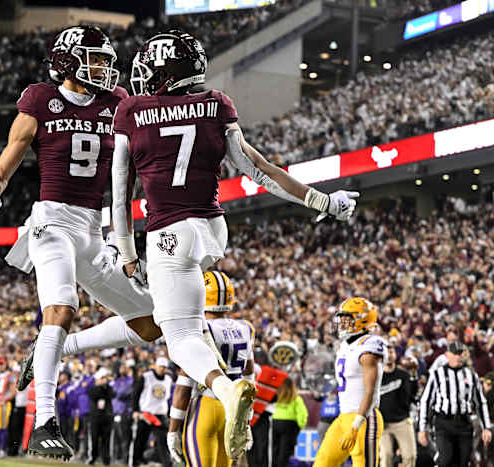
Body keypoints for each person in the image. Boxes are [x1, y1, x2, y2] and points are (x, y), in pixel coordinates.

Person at [112, 29, 358, 460]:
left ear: (165, 73)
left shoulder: (132, 111)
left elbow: (117, 193)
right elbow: (258, 169)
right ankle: (221, 386)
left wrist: (128, 253)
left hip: (167, 229)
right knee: (191, 322)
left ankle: (225, 389)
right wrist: (324, 200)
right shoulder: (216, 104)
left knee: (178, 332)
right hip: (211, 227)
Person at [0, 24, 163, 460]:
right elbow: (5, 166)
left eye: (105, 61)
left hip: (94, 232)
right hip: (51, 223)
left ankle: (54, 347)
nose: (103, 69)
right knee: (61, 307)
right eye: (94, 59)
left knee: (152, 323)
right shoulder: (40, 99)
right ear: (68, 61)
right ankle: (44, 422)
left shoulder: (116, 104)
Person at [167, 271, 256, 467]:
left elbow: (183, 386)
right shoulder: (246, 328)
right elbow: (250, 379)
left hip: (205, 405)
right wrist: (246, 419)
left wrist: (173, 430)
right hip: (232, 410)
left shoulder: (199, 329)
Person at [313, 298, 386, 467]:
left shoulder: (370, 346)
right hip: (343, 416)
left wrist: (357, 422)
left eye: (348, 318)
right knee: (322, 463)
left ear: (363, 319)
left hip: (364, 418)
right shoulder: (345, 345)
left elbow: (370, 390)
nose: (343, 323)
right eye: (342, 319)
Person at [418, 341, 492, 467]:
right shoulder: (437, 374)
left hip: (465, 423)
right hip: (444, 423)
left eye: (461, 353)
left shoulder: (471, 375)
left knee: (463, 462)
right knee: (446, 460)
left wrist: (486, 427)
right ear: (447, 355)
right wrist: (422, 428)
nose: (459, 356)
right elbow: (426, 400)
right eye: (455, 353)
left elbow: (480, 401)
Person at [130, 356, 174, 467]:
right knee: (140, 440)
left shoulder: (168, 380)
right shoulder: (146, 377)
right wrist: (135, 410)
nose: (162, 369)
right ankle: (136, 462)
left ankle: (167, 463)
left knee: (163, 441)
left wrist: (169, 414)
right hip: (146, 414)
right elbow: (136, 394)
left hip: (160, 415)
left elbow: (168, 398)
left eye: (164, 367)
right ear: (155, 366)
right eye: (160, 367)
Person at [379, 346, 418, 467]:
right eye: (386, 352)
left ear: (396, 355)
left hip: (402, 421)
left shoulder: (404, 375)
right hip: (383, 423)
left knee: (410, 456)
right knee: (386, 456)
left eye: (391, 352)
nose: (389, 355)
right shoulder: (376, 376)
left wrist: (413, 375)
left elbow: (412, 396)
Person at [272, 377, 309, 467]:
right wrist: (300, 426)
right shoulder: (296, 399)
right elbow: (303, 414)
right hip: (290, 426)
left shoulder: (275, 398)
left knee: (274, 451)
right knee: (285, 453)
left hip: (275, 423)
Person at [87, 367, 115, 465]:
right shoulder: (93, 389)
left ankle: (106, 460)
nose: (104, 380)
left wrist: (105, 386)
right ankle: (93, 457)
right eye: (102, 378)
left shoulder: (109, 388)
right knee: (94, 439)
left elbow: (113, 394)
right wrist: (100, 386)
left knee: (106, 440)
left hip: (107, 418)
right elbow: (94, 395)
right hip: (95, 418)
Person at [111, 363, 134, 464]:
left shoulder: (130, 380)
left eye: (124, 367)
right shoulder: (117, 380)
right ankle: (117, 457)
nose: (122, 369)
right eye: (121, 367)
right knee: (116, 438)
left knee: (125, 438)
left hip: (124, 412)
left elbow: (121, 394)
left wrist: (115, 392)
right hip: (115, 412)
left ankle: (125, 459)